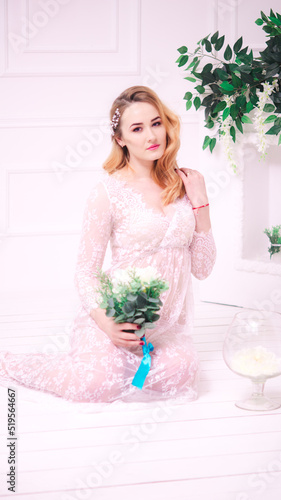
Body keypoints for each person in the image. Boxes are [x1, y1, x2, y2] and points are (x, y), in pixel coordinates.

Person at [0, 86, 216, 404]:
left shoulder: (184, 185)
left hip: (162, 326)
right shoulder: (107, 193)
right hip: (116, 316)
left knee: (181, 375)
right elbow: (86, 272)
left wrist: (201, 203)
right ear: (120, 139)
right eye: (137, 129)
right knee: (93, 385)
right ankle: (10, 362)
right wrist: (106, 322)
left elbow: (202, 268)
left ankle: (129, 371)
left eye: (156, 123)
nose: (151, 135)